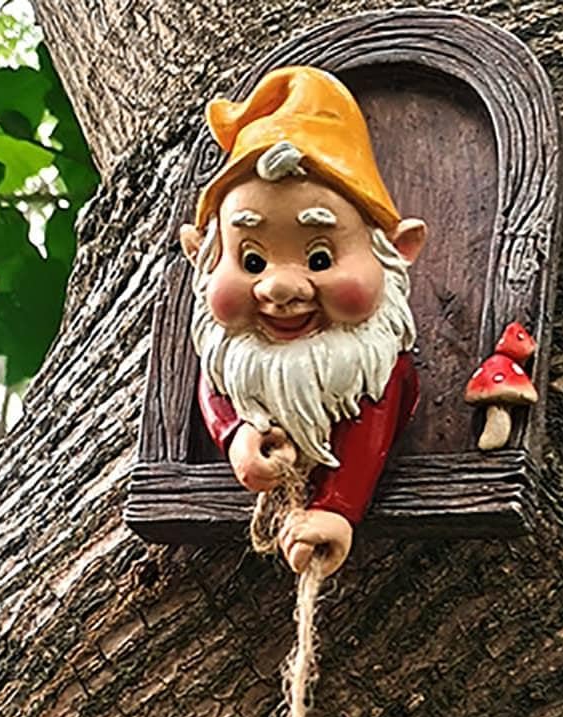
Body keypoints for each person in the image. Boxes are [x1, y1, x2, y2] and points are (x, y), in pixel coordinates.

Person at [179, 66, 427, 578]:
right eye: (251, 261)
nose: (280, 289)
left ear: (396, 253)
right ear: (201, 254)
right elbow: (218, 390)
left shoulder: (374, 368)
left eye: (319, 258)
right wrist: (236, 438)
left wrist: (338, 509)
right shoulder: (233, 360)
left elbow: (369, 427)